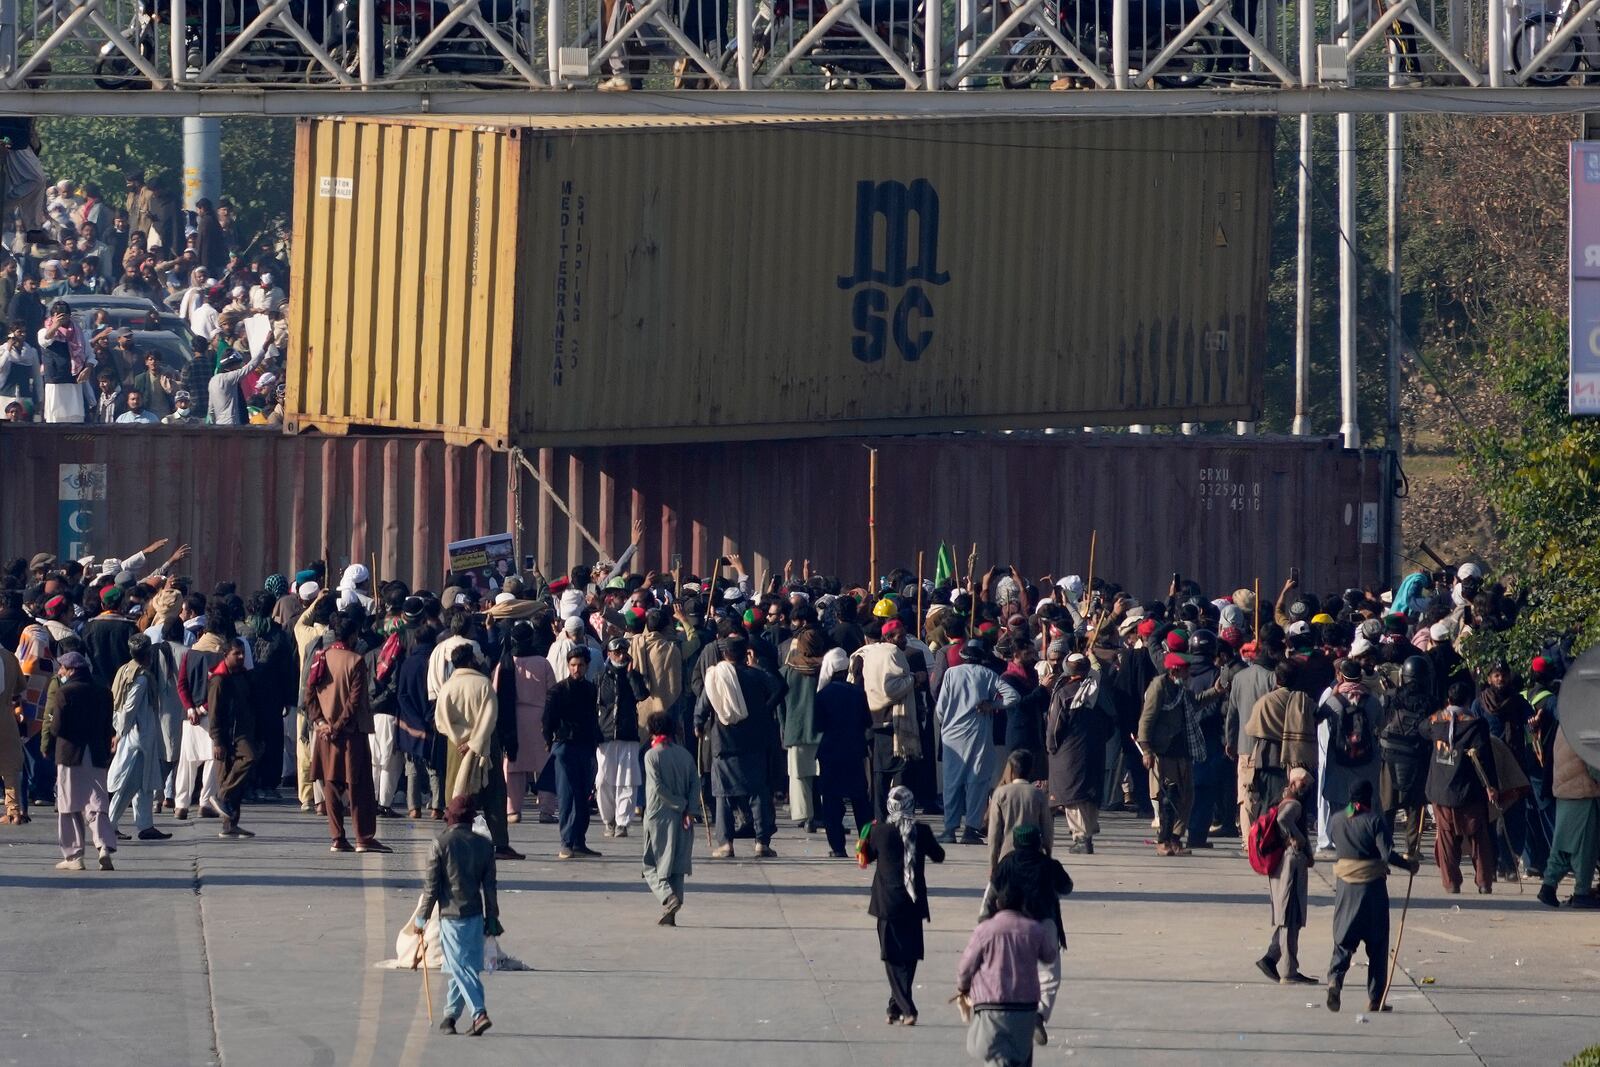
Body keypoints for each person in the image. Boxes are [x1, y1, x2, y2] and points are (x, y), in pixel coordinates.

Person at [1324, 779, 1420, 1013]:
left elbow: (1338, 832)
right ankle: (1375, 999)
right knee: (1377, 946)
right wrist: (1410, 865)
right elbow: (1386, 855)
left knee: (1343, 941)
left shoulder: (1337, 819)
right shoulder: (1374, 820)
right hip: (1372, 891)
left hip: (1346, 891)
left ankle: (1335, 980)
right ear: (1370, 797)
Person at [306, 611, 390, 854]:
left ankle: (337, 837)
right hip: (350, 733)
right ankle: (363, 837)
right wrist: (338, 726)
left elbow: (308, 695)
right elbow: (354, 703)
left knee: (331, 784)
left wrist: (321, 722)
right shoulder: (356, 661)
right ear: (353, 635)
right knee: (359, 785)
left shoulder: (320, 658)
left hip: (325, 734)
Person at [694, 633, 785, 859]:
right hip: (754, 740)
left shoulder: (716, 677)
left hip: (723, 742)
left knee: (723, 795)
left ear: (724, 654)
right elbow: (781, 687)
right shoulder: (756, 676)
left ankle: (726, 844)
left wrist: (698, 725)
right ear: (747, 654)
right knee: (758, 793)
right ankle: (761, 843)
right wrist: (765, 708)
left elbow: (702, 705)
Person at [415, 795, 499, 1037]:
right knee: (462, 966)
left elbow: (431, 889)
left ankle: (479, 1013)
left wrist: (421, 920)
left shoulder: (439, 844)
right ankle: (450, 1016)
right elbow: (490, 887)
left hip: (451, 918)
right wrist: (492, 918)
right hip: (475, 916)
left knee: (461, 968)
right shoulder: (484, 845)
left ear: (449, 816)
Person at [862, 785, 946, 1026]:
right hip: (913, 902)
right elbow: (939, 856)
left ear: (890, 805)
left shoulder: (879, 832)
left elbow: (866, 857)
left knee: (891, 957)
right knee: (909, 956)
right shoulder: (922, 831)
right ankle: (894, 1007)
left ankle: (908, 1009)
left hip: (887, 903)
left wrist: (865, 837)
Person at [983, 824, 1073, 1048]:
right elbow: (1066, 887)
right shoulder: (1048, 865)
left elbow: (991, 891)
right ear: (1038, 841)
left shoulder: (1007, 863)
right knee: (1050, 976)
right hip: (1043, 924)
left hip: (1010, 925)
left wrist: (984, 920)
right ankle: (1038, 1015)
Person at [955, 883, 1059, 1066]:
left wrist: (963, 988)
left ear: (998, 904)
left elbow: (966, 967)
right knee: (1019, 1057)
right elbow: (1049, 956)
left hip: (991, 1005)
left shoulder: (985, 930)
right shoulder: (1033, 929)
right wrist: (1049, 922)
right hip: (1025, 1008)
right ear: (1023, 904)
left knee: (996, 1056)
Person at [434, 642, 519, 861]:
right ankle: (500, 844)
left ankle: (455, 843)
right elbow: (490, 717)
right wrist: (476, 741)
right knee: (494, 796)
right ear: (471, 660)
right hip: (485, 748)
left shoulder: (447, 687)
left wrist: (460, 738)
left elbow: (441, 721)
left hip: (457, 748)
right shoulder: (483, 684)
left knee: (457, 794)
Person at [935, 639, 1020, 844]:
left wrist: (947, 724)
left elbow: (940, 708)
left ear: (963, 656)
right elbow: (1013, 697)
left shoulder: (951, 673)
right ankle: (971, 829)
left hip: (952, 735)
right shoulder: (988, 674)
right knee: (977, 781)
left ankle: (950, 828)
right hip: (977, 734)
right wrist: (993, 705)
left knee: (952, 782)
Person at [40, 651, 117, 872]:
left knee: (69, 804)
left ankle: (74, 856)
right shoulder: (103, 693)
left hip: (70, 753)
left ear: (71, 670)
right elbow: (107, 726)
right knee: (97, 802)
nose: (60, 672)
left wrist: (48, 745)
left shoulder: (64, 692)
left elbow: (56, 727)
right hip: (96, 754)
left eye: (62, 668)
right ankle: (104, 846)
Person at [1422, 679, 1498, 894]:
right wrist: (1491, 786)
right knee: (1479, 837)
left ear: (1448, 700)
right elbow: (1485, 758)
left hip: (1441, 789)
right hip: (1470, 790)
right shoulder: (1477, 724)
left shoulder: (1436, 721)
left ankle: (1452, 883)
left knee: (1446, 839)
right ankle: (1484, 882)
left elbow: (1422, 729)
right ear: (1468, 700)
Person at [1315, 659, 1384, 856]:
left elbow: (1317, 717)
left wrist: (1336, 693)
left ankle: (1343, 837)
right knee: (1367, 799)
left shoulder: (1334, 701)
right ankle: (1364, 836)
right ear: (1361, 677)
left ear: (1342, 676)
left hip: (1340, 759)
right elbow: (1381, 723)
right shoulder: (1371, 701)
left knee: (1339, 800)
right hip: (1367, 760)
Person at [1139, 652, 1204, 857]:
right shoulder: (1159, 686)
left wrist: (1217, 691)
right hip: (1163, 751)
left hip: (1182, 751)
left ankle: (1176, 839)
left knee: (1187, 797)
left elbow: (1196, 702)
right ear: (1175, 669)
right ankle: (1163, 840)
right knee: (1169, 796)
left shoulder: (1181, 688)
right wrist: (1147, 749)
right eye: (1185, 668)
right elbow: (1146, 720)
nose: (1188, 672)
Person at [107, 633, 171, 841]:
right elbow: (128, 709)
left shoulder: (125, 669)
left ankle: (145, 826)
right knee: (129, 785)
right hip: (137, 740)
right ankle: (109, 825)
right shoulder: (141, 678)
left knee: (144, 785)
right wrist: (120, 733)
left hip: (140, 737)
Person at [1256, 767, 1316, 985]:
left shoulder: (1282, 799)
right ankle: (1289, 971)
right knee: (1291, 917)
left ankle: (1271, 958)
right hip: (1291, 865)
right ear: (1293, 783)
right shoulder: (1293, 804)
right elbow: (1283, 820)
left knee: (1287, 917)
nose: (1306, 787)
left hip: (1282, 865)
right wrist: (1297, 839)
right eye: (1303, 783)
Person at [494, 620, 557, 824]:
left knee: (513, 766)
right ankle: (546, 810)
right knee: (545, 765)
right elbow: (553, 693)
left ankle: (513, 810)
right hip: (540, 719)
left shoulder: (503, 664)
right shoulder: (543, 662)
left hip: (512, 720)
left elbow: (495, 694)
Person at [1045, 653, 1109, 854]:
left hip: (1069, 753)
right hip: (1094, 749)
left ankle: (1082, 838)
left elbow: (1054, 728)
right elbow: (1111, 722)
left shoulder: (1064, 694)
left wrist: (1051, 747)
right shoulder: (1098, 691)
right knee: (1088, 794)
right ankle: (1088, 832)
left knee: (1072, 796)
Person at [543, 646, 602, 860]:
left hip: (585, 746)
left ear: (587, 666)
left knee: (583, 794)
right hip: (564, 746)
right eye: (573, 665)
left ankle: (579, 841)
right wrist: (548, 741)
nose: (576, 669)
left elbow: (593, 718)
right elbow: (547, 719)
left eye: (580, 665)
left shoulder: (590, 689)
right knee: (567, 795)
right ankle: (566, 842)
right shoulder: (558, 690)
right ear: (568, 666)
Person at [641, 710, 697, 925]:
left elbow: (658, 788)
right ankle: (672, 911)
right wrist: (689, 809)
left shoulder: (651, 755)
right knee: (677, 865)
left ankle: (667, 896)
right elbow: (695, 784)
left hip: (659, 815)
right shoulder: (685, 755)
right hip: (683, 817)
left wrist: (679, 804)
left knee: (651, 865)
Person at [1538, 719, 1600, 910]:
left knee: (1562, 846)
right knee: (1584, 847)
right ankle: (1582, 892)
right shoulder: (1588, 724)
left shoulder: (1565, 722)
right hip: (1583, 792)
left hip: (1564, 790)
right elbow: (1593, 764)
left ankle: (1548, 886)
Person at [813, 669, 873, 858]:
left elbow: (818, 726)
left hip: (830, 753)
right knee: (861, 803)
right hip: (854, 750)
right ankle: (864, 846)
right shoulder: (858, 693)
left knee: (831, 802)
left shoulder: (823, 694)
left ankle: (838, 847)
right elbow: (867, 721)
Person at [1380, 655, 1435, 859]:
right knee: (1415, 805)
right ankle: (1413, 848)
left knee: (1388, 804)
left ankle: (1384, 845)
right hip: (1418, 756)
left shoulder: (1389, 697)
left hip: (1389, 755)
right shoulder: (1431, 702)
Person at [595, 637, 648, 838]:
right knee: (603, 780)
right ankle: (608, 819)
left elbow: (641, 695)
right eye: (617, 652)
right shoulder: (601, 676)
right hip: (606, 733)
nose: (621, 655)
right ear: (609, 654)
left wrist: (631, 674)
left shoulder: (633, 675)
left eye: (624, 651)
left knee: (628, 779)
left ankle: (623, 822)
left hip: (628, 733)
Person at [206, 638, 256, 838]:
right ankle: (221, 796)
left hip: (243, 731)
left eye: (242, 653)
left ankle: (230, 825)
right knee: (245, 761)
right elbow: (214, 712)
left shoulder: (243, 676)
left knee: (235, 780)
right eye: (236, 654)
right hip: (227, 736)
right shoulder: (219, 680)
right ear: (225, 655)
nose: (241, 657)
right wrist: (217, 740)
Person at [987, 750, 1052, 871]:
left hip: (1007, 858)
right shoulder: (1038, 794)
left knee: (995, 890)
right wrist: (1048, 854)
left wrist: (993, 865)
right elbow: (1047, 829)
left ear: (1010, 770)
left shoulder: (1001, 793)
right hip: (1034, 858)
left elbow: (994, 833)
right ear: (1030, 770)